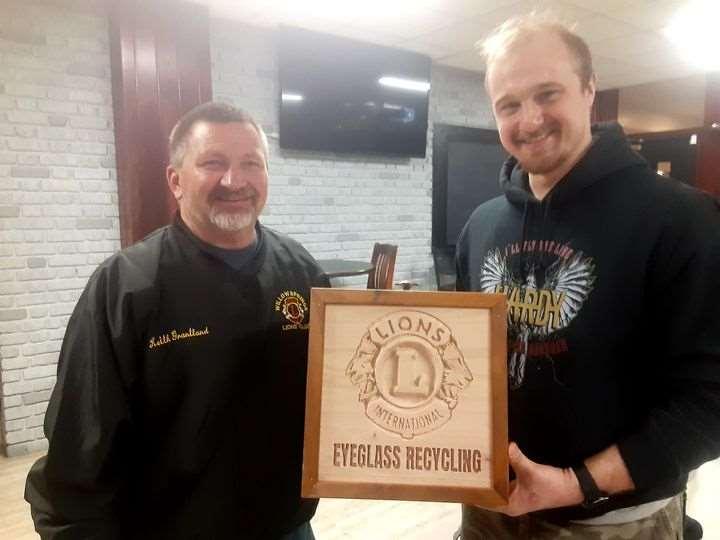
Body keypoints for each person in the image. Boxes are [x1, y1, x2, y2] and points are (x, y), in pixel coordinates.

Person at [455, 13, 720, 539]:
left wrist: (578, 483)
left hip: (616, 522)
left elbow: (710, 402)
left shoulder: (682, 219)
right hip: (489, 508)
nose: (530, 120)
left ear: (589, 90)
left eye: (547, 94)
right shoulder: (480, 225)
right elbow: (462, 365)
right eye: (509, 104)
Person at [25, 102, 329, 539]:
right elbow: (81, 443)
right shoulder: (125, 287)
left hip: (286, 527)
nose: (235, 180)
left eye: (251, 163)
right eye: (213, 163)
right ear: (175, 180)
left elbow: (338, 397)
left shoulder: (301, 272)